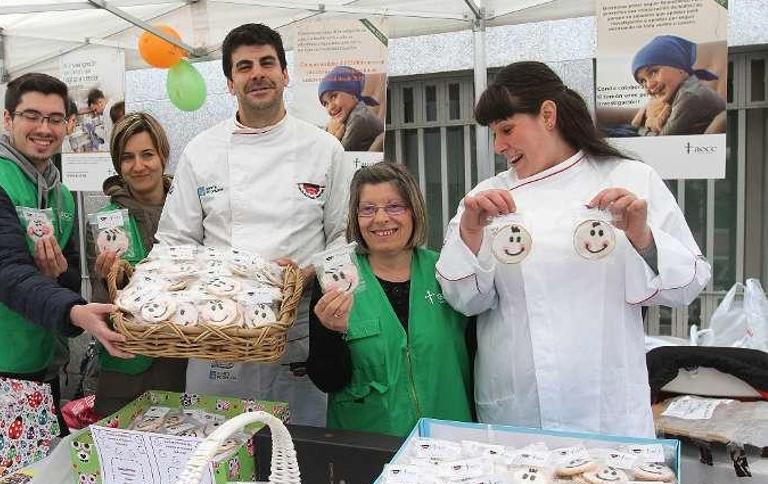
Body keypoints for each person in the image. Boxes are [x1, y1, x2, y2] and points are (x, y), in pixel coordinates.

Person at [437, 61, 711, 438]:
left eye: (506, 129)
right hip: (519, 405)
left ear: (547, 115)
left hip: (604, 403)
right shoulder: (486, 200)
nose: (499, 146)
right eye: (493, 134)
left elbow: (687, 286)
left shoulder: (628, 179)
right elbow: (464, 300)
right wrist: (469, 231)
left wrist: (641, 237)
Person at [155, 23, 353, 426]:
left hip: (296, 332)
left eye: (267, 62)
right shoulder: (201, 151)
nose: (257, 73)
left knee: (294, 460)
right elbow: (175, 244)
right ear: (230, 83)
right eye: (244, 67)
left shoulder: (324, 149)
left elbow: (344, 238)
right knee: (215, 453)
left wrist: (308, 274)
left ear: (285, 74)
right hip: (217, 334)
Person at [0, 73, 131, 436]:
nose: (44, 128)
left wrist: (61, 278)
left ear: (69, 124)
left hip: (40, 362)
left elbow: (69, 272)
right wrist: (75, 311)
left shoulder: (58, 191)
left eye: (55, 119)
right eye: (32, 116)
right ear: (8, 119)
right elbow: (4, 272)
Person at [306, 162, 471, 437]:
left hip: (450, 444)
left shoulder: (448, 272)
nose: (380, 219)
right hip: (369, 446)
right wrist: (331, 332)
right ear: (355, 218)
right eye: (367, 209)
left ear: (414, 211)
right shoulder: (335, 281)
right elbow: (327, 379)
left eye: (395, 206)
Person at [87, 112, 187, 416]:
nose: (139, 165)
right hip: (127, 368)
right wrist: (107, 280)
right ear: (118, 165)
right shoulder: (108, 222)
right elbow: (102, 307)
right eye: (128, 157)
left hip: (182, 362)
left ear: (163, 156)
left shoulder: (188, 209)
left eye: (147, 154)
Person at [630, 35, 726, 136]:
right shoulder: (677, 92)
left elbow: (664, 140)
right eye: (643, 81)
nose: (649, 85)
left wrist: (643, 130)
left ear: (680, 68)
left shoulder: (689, 97)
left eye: (654, 72)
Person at [319, 65, 384, 152]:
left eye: (334, 96)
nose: (331, 107)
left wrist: (332, 137)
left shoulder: (359, 119)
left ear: (352, 93)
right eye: (325, 103)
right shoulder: (347, 115)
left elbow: (337, 157)